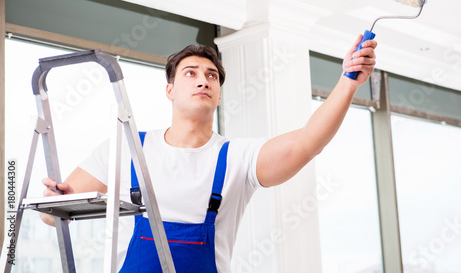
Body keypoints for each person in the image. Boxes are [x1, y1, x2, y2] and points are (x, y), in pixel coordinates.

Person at [41, 36, 377, 272]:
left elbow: (307, 143)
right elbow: (52, 214)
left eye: (211, 76)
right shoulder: (127, 148)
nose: (203, 80)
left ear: (218, 96)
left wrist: (348, 82)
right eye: (191, 73)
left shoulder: (237, 158)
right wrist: (54, 198)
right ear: (170, 90)